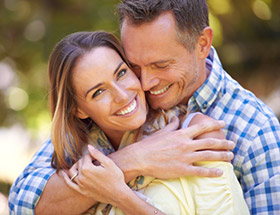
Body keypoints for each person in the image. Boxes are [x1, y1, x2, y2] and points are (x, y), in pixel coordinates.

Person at [8, 0, 280, 214]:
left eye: (160, 65)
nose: (146, 83)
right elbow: (24, 203)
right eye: (133, 65)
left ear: (203, 44)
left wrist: (119, 193)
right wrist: (135, 159)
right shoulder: (121, 107)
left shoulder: (254, 129)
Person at [43, 30, 249, 214]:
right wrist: (136, 158)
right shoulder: (76, 158)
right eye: (98, 92)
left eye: (121, 73)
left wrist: (121, 196)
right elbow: (30, 204)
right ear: (77, 109)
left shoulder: (196, 135)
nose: (122, 95)